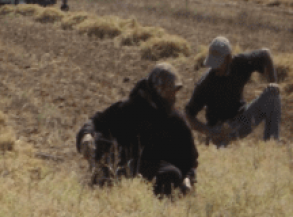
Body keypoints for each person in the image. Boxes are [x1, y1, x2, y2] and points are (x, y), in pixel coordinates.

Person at [76, 64, 198, 197]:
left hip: (154, 169)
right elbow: (96, 122)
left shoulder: (176, 121)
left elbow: (189, 160)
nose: (173, 97)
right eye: (168, 92)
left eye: (174, 92)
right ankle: (102, 187)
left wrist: (188, 179)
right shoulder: (129, 108)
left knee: (172, 175)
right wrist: (86, 135)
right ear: (157, 90)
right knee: (101, 145)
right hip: (123, 165)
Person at [184, 36, 281, 145]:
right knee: (219, 154)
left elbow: (265, 54)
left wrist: (273, 83)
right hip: (219, 130)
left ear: (229, 58)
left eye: (218, 64)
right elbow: (189, 113)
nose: (215, 69)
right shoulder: (206, 83)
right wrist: (209, 131)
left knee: (272, 94)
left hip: (242, 119)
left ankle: (272, 144)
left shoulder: (240, 63)